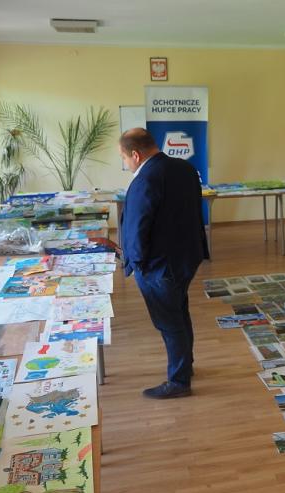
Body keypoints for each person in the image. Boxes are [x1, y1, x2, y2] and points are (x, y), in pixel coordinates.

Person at [119, 128, 208, 399]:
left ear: (135, 154)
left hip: (159, 264)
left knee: (169, 321)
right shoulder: (185, 168)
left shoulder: (145, 179)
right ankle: (186, 365)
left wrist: (135, 263)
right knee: (178, 312)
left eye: (123, 158)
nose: (124, 164)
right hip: (186, 257)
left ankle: (179, 381)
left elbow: (136, 228)